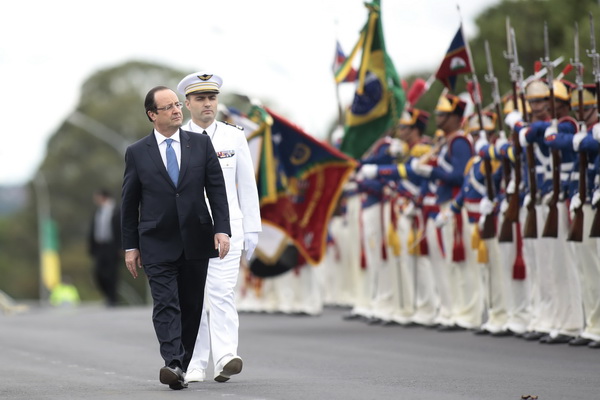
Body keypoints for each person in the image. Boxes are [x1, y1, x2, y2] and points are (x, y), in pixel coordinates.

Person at [121, 86, 231, 390]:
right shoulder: (137, 152)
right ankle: (172, 361)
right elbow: (129, 204)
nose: (176, 110)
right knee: (166, 303)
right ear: (152, 115)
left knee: (192, 304)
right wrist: (131, 246)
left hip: (196, 237)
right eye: (168, 107)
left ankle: (180, 364)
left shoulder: (200, 144)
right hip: (155, 241)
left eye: (176, 105)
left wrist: (222, 228)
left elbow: (217, 190)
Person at [176, 72, 262, 383]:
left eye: (211, 97)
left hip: (230, 228)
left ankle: (226, 356)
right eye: (200, 98)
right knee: (194, 296)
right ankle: (195, 363)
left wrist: (252, 228)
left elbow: (247, 186)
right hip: (192, 230)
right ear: (187, 104)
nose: (208, 103)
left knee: (223, 293)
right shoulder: (178, 138)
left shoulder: (234, 136)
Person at [88, 188, 121, 307]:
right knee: (98, 273)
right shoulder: (98, 211)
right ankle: (107, 295)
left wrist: (122, 247)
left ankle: (112, 299)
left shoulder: (116, 210)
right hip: (100, 247)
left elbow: (121, 228)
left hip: (112, 246)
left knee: (112, 273)